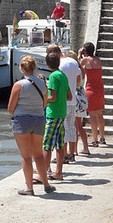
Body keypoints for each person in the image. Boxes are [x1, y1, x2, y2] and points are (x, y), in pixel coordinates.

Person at [7, 55, 56, 195]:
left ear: (21, 68)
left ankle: (29, 187)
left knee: (26, 156)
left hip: (22, 121)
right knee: (38, 155)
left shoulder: (19, 85)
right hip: (39, 120)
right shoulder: (42, 84)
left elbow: (11, 108)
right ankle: (46, 185)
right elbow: (45, 104)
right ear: (34, 67)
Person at [46, 44, 80, 162]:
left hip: (61, 103)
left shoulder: (58, 69)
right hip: (72, 99)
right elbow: (78, 80)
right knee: (71, 127)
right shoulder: (73, 61)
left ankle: (64, 154)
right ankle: (72, 152)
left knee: (63, 130)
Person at [42, 51, 71, 181]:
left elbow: (52, 97)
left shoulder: (53, 76)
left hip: (53, 113)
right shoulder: (63, 76)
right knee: (60, 144)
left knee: (46, 144)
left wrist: (43, 99)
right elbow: (69, 96)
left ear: (48, 64)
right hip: (62, 112)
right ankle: (58, 172)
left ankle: (42, 173)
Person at [78, 42, 105, 147]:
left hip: (90, 88)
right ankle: (102, 137)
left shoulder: (86, 60)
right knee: (99, 113)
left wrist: (79, 55)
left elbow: (78, 66)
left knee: (92, 114)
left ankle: (95, 139)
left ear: (85, 51)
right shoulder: (98, 60)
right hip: (99, 88)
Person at [65, 51, 90, 155]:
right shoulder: (81, 69)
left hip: (75, 98)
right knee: (79, 126)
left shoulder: (75, 70)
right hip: (81, 97)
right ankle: (85, 147)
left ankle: (73, 149)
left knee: (73, 126)